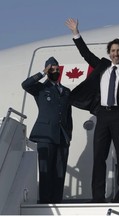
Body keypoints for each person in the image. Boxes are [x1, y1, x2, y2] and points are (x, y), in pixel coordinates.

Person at [65, 18, 119, 203]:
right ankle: (97, 196)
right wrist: (76, 33)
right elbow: (85, 54)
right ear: (109, 53)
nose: (116, 54)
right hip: (103, 115)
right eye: (113, 51)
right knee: (99, 156)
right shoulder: (102, 66)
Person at [21, 57, 73, 204]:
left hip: (62, 136)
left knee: (59, 171)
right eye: (52, 69)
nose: (55, 71)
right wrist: (42, 73)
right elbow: (25, 85)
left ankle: (57, 201)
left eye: (57, 69)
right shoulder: (41, 88)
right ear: (47, 70)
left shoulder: (66, 91)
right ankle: (45, 202)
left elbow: (68, 115)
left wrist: (69, 134)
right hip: (45, 135)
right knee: (46, 171)